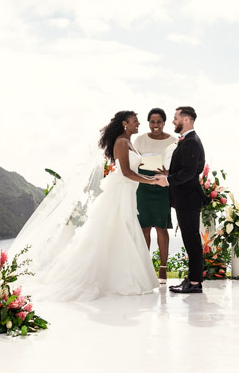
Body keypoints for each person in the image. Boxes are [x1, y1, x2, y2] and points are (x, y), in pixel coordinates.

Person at [15, 110, 159, 301]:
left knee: (124, 228)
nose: (138, 123)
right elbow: (125, 172)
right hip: (120, 191)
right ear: (125, 123)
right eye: (135, 121)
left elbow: (132, 170)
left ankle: (125, 275)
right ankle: (121, 279)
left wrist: (155, 173)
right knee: (120, 228)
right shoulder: (122, 142)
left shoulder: (129, 142)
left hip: (128, 192)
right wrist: (153, 181)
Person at [154, 106, 207, 294]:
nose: (173, 121)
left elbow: (190, 172)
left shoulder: (191, 141)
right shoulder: (187, 140)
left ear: (186, 119)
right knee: (189, 240)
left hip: (189, 199)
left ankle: (194, 283)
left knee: (192, 241)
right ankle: (192, 279)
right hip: (185, 198)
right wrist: (168, 174)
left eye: (176, 118)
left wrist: (167, 180)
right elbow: (185, 169)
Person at [132, 108, 177, 282]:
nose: (155, 125)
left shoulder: (173, 140)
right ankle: (145, 267)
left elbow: (176, 162)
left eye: (158, 121)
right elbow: (134, 161)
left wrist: (168, 172)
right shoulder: (140, 140)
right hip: (143, 185)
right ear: (148, 122)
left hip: (163, 185)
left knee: (161, 226)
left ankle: (163, 269)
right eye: (152, 121)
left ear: (164, 122)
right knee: (144, 227)